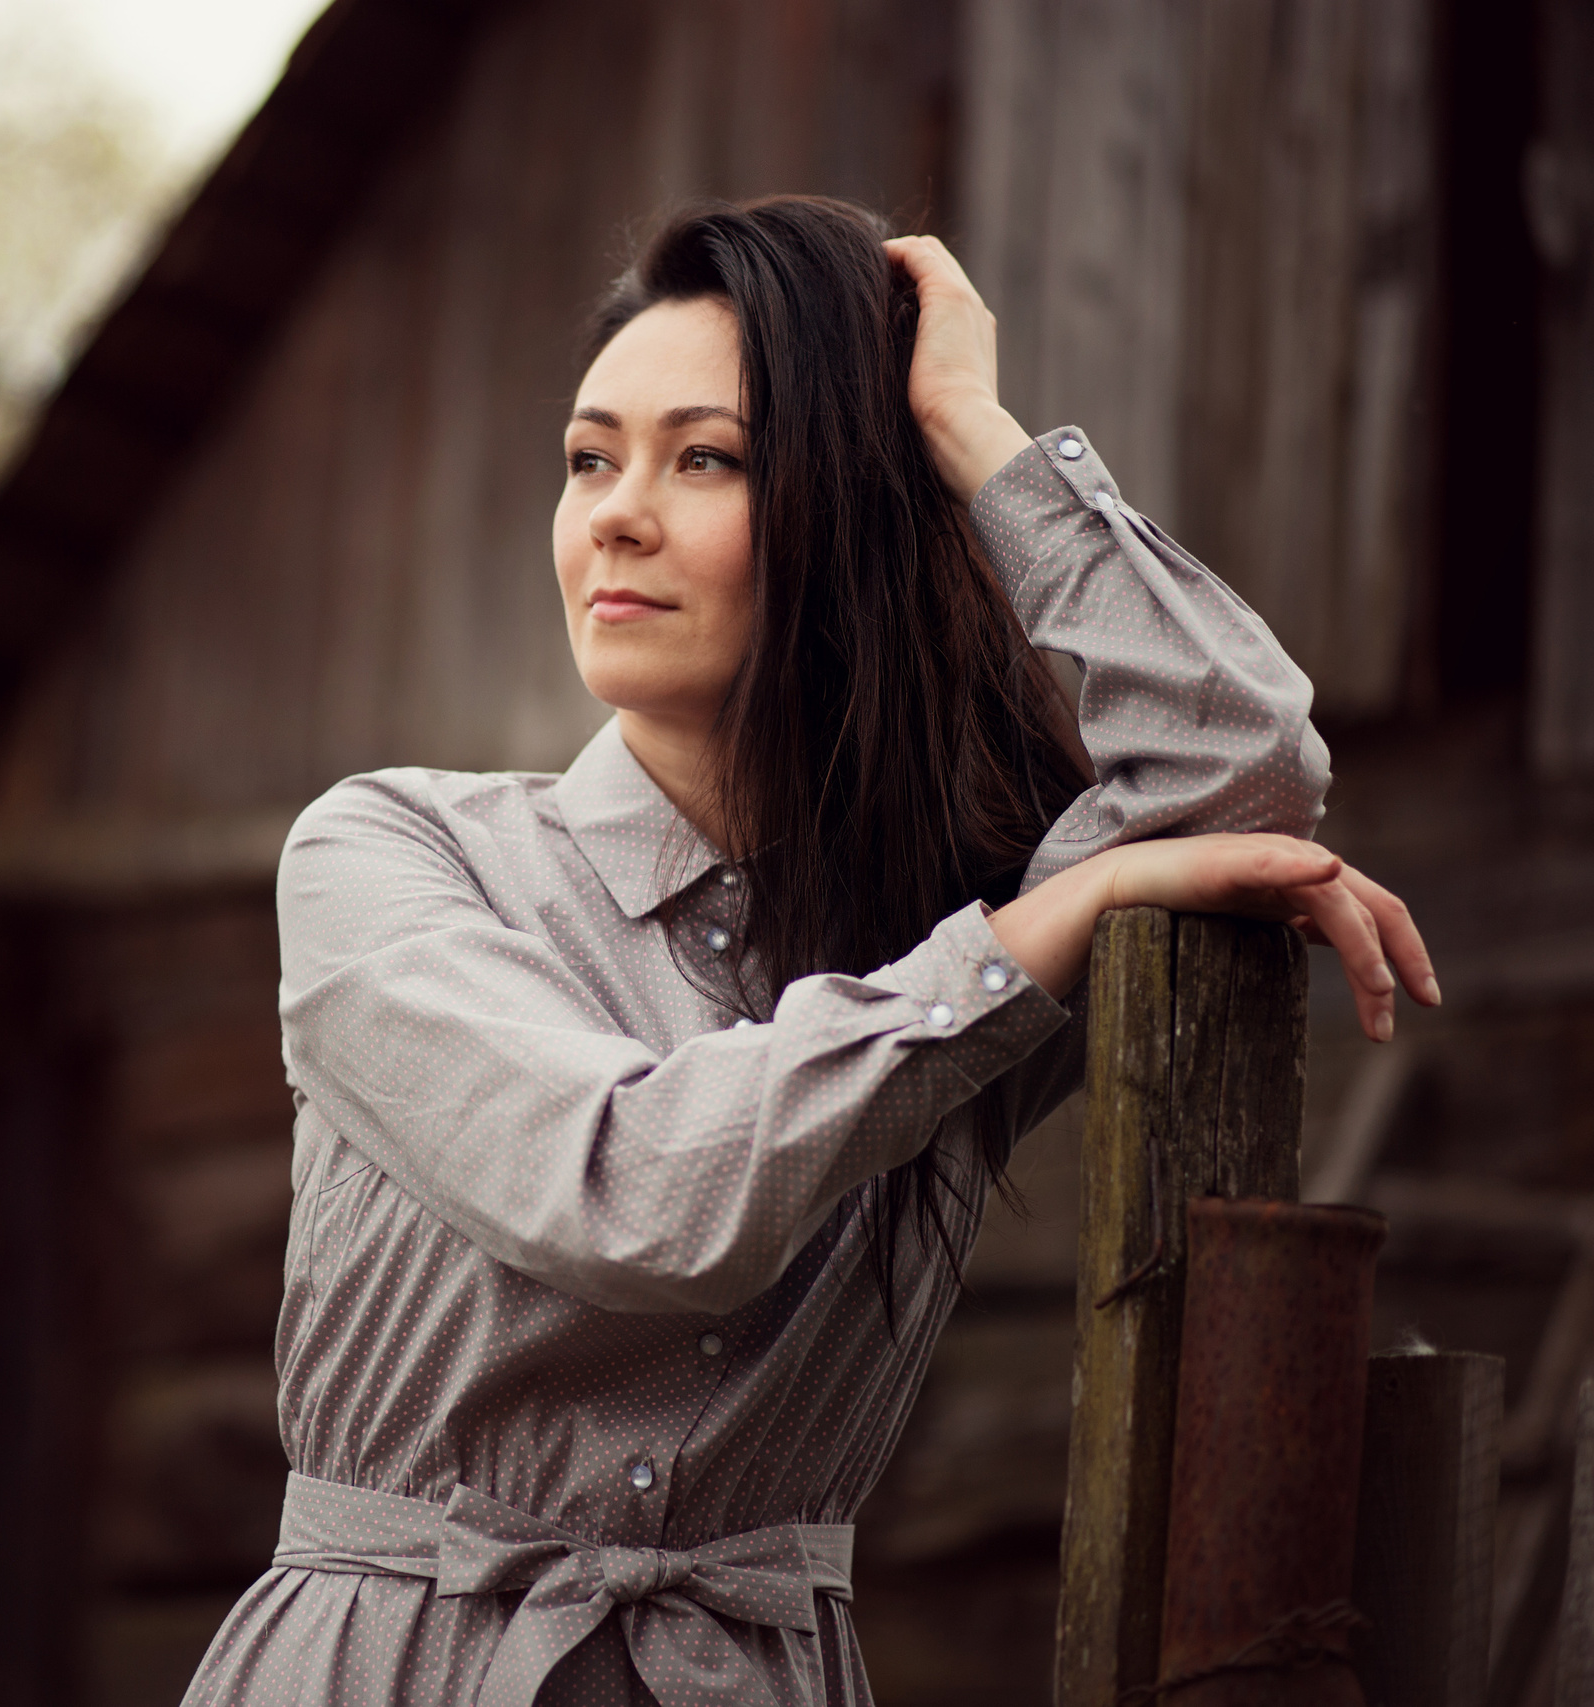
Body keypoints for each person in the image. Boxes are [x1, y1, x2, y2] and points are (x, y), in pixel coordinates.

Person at [180, 197, 1434, 1707]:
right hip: (388, 1669)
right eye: (590, 458)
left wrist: (975, 433)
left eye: (705, 458)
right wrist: (1032, 938)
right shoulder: (394, 857)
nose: (616, 514)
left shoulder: (934, 927)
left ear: (851, 512)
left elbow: (1247, 764)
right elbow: (633, 1195)